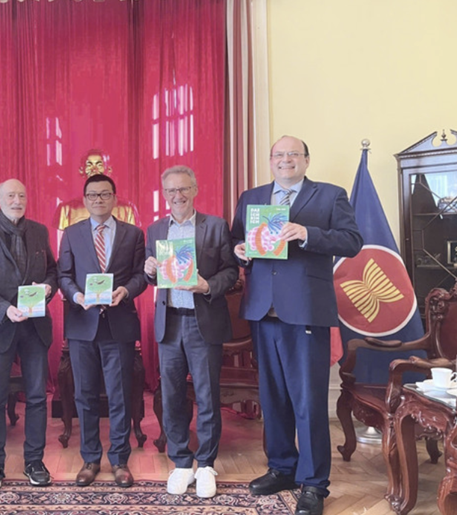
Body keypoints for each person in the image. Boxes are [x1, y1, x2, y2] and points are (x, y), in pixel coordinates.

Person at [231, 136, 363, 515]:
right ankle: (282, 468)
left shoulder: (330, 195)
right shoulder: (252, 197)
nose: (285, 160)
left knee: (308, 401)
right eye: (279, 154)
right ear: (270, 160)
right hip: (263, 312)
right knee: (273, 398)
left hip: (306, 311)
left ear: (306, 160)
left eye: (293, 154)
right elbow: (236, 240)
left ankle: (314, 483)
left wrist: (307, 234)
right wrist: (239, 251)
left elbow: (352, 241)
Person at [143, 166, 238, 498]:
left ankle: (207, 464)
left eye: (183, 189)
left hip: (203, 322)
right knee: (171, 396)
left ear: (195, 189)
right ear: (164, 194)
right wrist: (149, 270)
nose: (178, 195)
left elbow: (231, 271)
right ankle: (181, 462)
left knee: (207, 395)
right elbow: (153, 276)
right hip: (169, 322)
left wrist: (207, 285)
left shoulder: (215, 226)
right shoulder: (155, 230)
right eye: (171, 190)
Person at [58, 173, 147, 487]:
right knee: (84, 396)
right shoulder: (71, 234)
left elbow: (141, 275)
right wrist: (76, 296)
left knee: (120, 395)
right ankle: (90, 458)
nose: (99, 199)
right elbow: (63, 275)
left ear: (114, 198)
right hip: (82, 324)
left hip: (119, 324)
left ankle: (120, 460)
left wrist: (127, 290)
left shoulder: (133, 234)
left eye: (105, 194)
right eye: (93, 195)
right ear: (85, 200)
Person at [0, 179, 58, 491]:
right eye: (10, 195)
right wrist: (3, 308)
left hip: (35, 326)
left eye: (21, 195)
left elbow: (53, 271)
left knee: (37, 397)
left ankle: (34, 461)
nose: (17, 200)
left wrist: (48, 287)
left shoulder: (39, 231)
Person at [54, 149, 139, 230]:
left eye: (99, 165)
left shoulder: (127, 209)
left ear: (109, 169)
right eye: (89, 165)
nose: (94, 170)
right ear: (81, 170)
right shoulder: (66, 209)